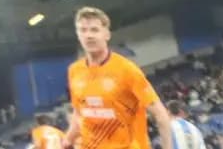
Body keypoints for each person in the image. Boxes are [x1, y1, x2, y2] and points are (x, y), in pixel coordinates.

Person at [65, 9, 175, 149]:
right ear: (78, 35)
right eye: (83, 30)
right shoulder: (74, 71)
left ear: (107, 34)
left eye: (94, 30)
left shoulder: (126, 69)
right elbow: (79, 113)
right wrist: (67, 141)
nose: (89, 36)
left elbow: (160, 115)